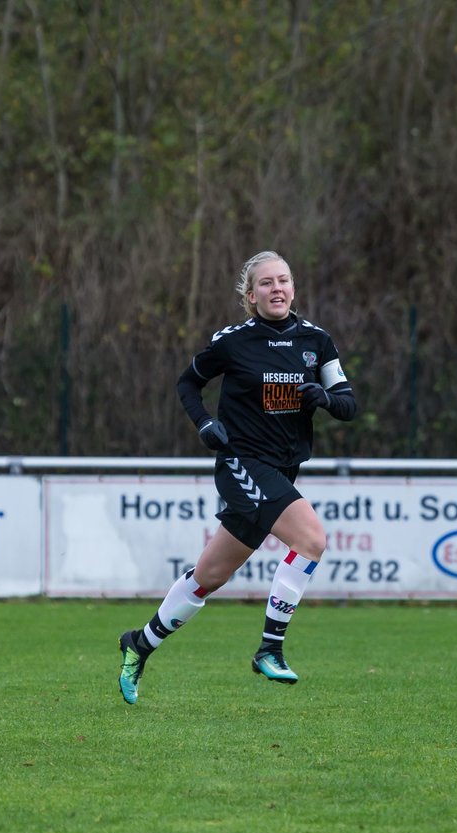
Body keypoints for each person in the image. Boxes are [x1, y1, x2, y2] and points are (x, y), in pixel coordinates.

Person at [116, 250, 356, 704]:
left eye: (283, 280)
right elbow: (188, 383)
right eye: (266, 283)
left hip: (282, 467)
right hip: (242, 462)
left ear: (293, 288)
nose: (277, 288)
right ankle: (270, 648)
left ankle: (140, 643)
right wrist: (205, 424)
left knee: (210, 574)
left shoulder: (316, 341)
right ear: (251, 295)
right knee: (311, 540)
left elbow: (348, 405)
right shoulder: (233, 341)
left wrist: (322, 397)